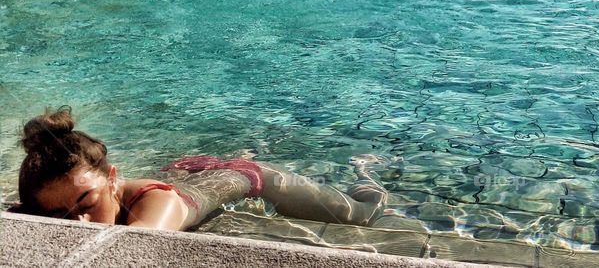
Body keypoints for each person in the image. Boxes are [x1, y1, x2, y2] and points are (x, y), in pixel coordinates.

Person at [14, 108, 387, 231]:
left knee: (362, 215)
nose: (80, 223)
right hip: (189, 172)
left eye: (86, 203)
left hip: (247, 176)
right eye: (60, 216)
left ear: (113, 180)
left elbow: (138, 241)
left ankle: (367, 171)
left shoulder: (157, 204)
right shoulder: (83, 199)